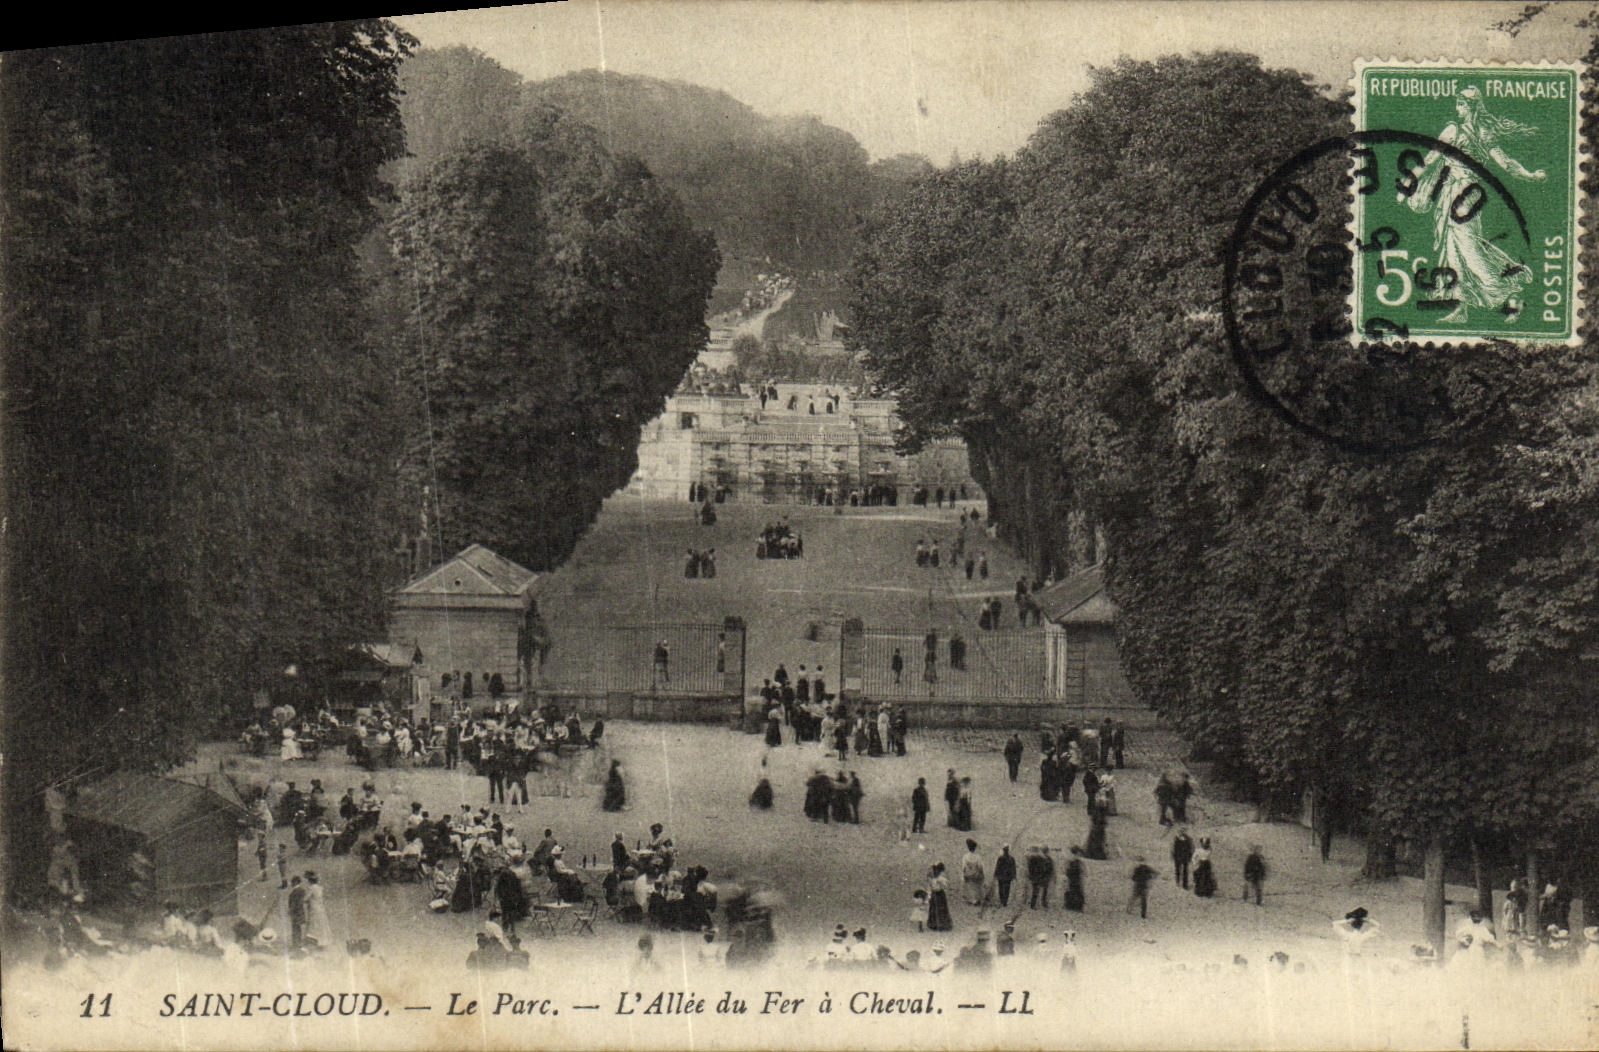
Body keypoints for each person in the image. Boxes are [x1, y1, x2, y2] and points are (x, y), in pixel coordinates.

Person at [1409, 85, 1545, 325]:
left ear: (1472, 106)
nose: (1457, 109)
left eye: (1461, 104)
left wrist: (1529, 175)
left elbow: (1505, 163)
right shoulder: (1462, 131)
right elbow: (1430, 159)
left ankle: (1509, 292)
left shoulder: (1473, 132)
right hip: (1456, 193)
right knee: (1453, 250)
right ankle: (1460, 306)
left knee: (1469, 249)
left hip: (1465, 196)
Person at [304, 871, 332, 951]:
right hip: (320, 907)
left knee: (314, 925)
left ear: (310, 880)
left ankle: (315, 942)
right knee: (322, 925)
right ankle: (323, 942)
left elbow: (306, 898)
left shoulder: (311, 888)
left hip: (314, 908)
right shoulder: (320, 888)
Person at [926, 863, 954, 932]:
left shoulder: (941, 878)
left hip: (940, 895)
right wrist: (929, 896)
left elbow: (946, 885)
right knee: (933, 909)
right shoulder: (931, 879)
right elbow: (929, 887)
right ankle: (934, 924)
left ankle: (943, 924)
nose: (935, 872)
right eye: (934, 870)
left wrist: (941, 883)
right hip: (934, 894)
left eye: (937, 870)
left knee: (941, 909)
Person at [961, 840, 985, 906]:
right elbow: (980, 866)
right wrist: (982, 873)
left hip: (968, 873)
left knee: (970, 886)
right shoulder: (978, 856)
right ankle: (977, 899)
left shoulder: (965, 856)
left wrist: (963, 873)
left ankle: (972, 899)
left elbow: (964, 866)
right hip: (976, 873)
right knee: (976, 886)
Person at [287, 876, 308, 950]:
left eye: (292, 882)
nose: (291, 884)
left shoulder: (294, 892)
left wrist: (290, 910)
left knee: (295, 929)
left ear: (295, 882)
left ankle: (296, 944)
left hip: (295, 913)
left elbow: (294, 903)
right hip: (300, 912)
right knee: (298, 929)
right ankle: (298, 944)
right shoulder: (302, 891)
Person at [1063, 847, 1086, 912]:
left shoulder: (1069, 861)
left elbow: (1065, 870)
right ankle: (1076, 906)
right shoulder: (1078, 862)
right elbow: (1083, 871)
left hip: (1072, 878)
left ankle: (1071, 905)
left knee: (1072, 891)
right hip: (1075, 878)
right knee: (1076, 891)